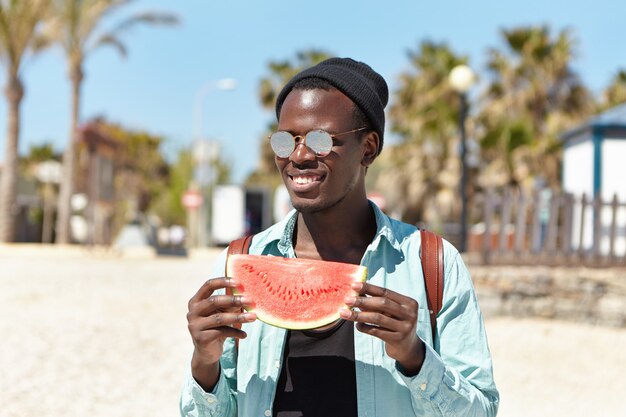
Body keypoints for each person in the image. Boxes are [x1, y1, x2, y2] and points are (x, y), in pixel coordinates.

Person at [181, 57, 499, 417]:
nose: (298, 156)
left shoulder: (432, 263)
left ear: (369, 148)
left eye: (321, 140)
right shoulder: (241, 261)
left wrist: (415, 357)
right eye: (286, 140)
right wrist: (204, 364)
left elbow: (481, 410)